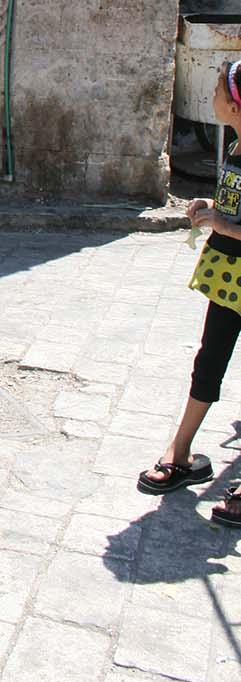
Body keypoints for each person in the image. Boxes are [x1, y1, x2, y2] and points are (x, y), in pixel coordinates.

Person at [137, 58, 241, 527]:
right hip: (230, 278)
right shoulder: (235, 148)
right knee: (209, 360)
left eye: (218, 90)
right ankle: (180, 454)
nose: (211, 96)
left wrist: (222, 224)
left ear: (235, 105)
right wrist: (212, 207)